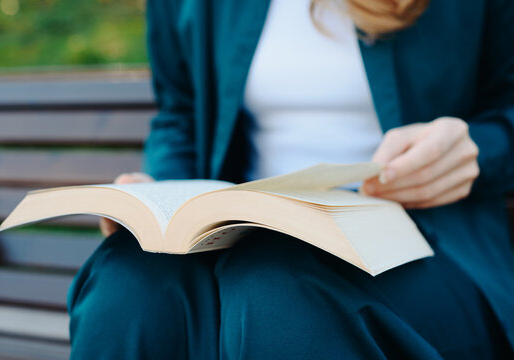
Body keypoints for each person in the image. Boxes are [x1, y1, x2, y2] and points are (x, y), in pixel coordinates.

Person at [68, 0, 514, 358]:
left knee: (279, 290)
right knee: (127, 281)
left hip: (424, 243)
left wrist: (478, 149)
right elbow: (180, 113)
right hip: (239, 233)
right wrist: (161, 197)